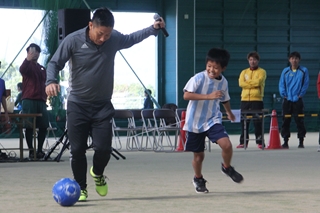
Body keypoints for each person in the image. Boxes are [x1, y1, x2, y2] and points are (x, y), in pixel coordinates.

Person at [45, 7, 166, 202]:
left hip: (102, 106)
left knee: (103, 149)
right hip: (78, 105)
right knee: (77, 150)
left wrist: (152, 29)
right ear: (90, 25)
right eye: (100, 34)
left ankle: (98, 173)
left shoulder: (113, 38)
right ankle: (81, 188)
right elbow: (54, 63)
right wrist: (50, 81)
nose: (103, 39)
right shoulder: (73, 40)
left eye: (107, 35)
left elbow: (131, 38)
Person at [183, 47, 244, 194]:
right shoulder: (198, 78)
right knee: (199, 156)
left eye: (216, 68)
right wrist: (208, 96)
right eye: (209, 66)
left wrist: (229, 112)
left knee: (227, 145)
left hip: (212, 119)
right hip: (194, 123)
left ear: (223, 68)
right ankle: (198, 179)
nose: (211, 70)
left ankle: (227, 168)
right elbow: (186, 95)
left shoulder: (223, 83)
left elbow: (225, 99)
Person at [19, 43, 49, 159]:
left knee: (43, 125)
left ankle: (40, 150)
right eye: (32, 51)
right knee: (29, 126)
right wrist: (28, 59)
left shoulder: (42, 68)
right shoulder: (27, 66)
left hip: (41, 100)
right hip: (29, 99)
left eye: (36, 51)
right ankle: (31, 151)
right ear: (28, 53)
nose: (34, 54)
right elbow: (22, 69)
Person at [279, 51, 309, 148]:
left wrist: (300, 95)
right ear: (289, 60)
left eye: (296, 58)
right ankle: (285, 141)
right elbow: (281, 84)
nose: (294, 60)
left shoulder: (304, 71)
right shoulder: (285, 71)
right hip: (287, 100)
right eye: (292, 58)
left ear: (299, 60)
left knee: (299, 120)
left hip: (298, 100)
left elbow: (305, 84)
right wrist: (284, 94)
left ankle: (301, 141)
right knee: (285, 120)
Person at [236, 51, 267, 149]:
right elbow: (241, 83)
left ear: (257, 61)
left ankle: (260, 142)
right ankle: (243, 142)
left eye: (254, 60)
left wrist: (248, 83)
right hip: (245, 99)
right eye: (250, 60)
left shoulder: (262, 72)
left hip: (257, 99)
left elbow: (258, 82)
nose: (252, 62)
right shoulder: (244, 72)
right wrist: (251, 83)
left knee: (258, 121)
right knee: (244, 121)